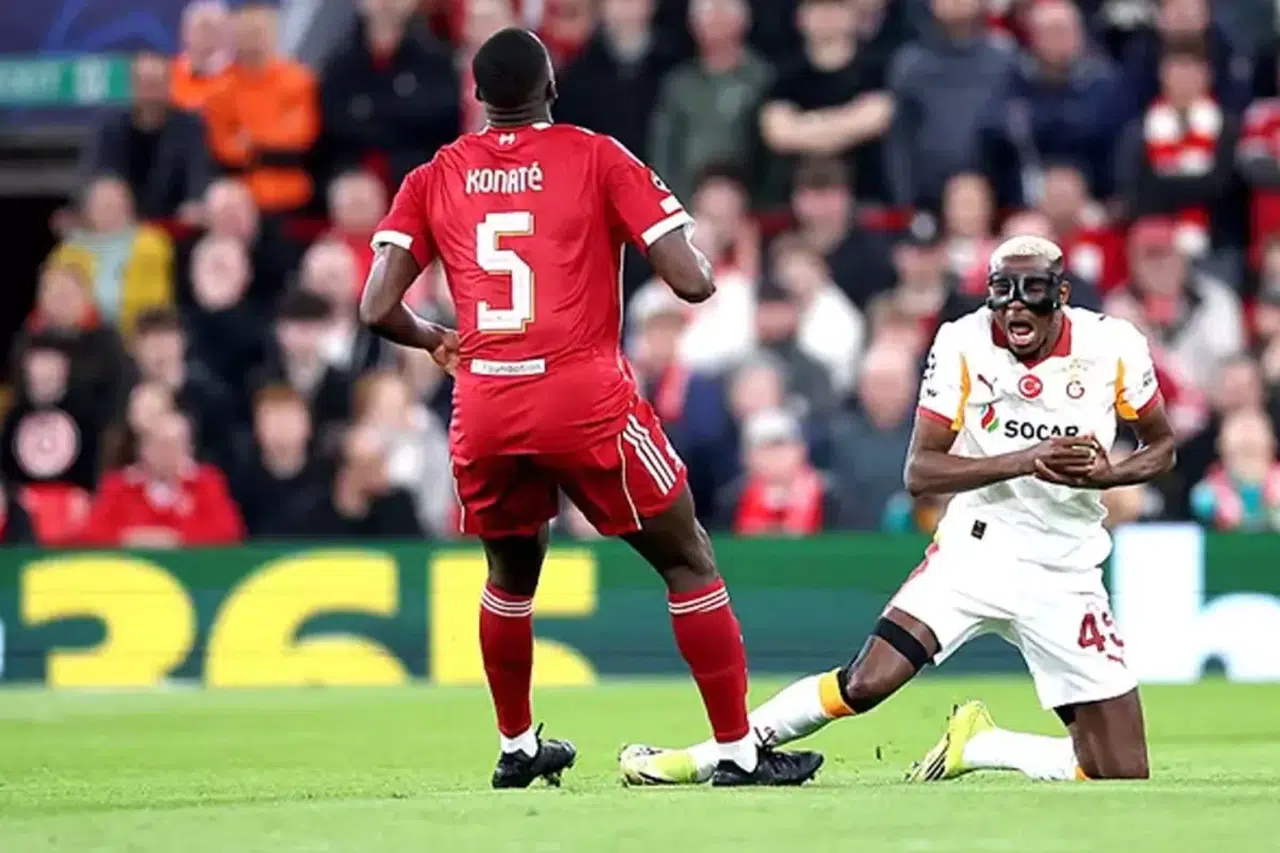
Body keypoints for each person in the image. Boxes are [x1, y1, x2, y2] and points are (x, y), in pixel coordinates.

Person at [359, 27, 822, 789]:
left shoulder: (435, 174)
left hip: (487, 400)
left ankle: (516, 744)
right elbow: (694, 282)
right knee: (687, 557)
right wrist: (687, 241)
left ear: (478, 97)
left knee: (510, 577)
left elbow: (377, 306)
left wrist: (435, 336)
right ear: (551, 87)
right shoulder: (596, 155)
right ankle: (739, 749)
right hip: (582, 395)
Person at [620, 234, 1177, 786]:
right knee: (865, 681)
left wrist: (1106, 476)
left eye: (1031, 290)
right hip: (978, 550)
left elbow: (1161, 447)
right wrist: (1029, 460)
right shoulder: (963, 341)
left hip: (1066, 568)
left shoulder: (1113, 346)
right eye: (1001, 290)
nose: (1014, 306)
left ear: (1061, 293)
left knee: (1120, 770)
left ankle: (984, 744)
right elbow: (921, 472)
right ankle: (707, 758)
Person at [202, 3, 320, 213]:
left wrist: (251, 139)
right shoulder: (220, 87)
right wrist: (271, 135)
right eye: (246, 33)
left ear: (273, 35)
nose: (253, 40)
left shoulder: (299, 79)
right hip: (239, 196)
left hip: (293, 192)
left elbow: (302, 135)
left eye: (259, 32)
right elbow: (222, 146)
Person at [80, 52, 211, 219]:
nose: (150, 94)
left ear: (169, 85)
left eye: (156, 84)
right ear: (132, 86)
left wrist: (195, 203)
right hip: (120, 220)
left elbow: (198, 176)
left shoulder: (189, 126)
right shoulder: (110, 125)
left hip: (174, 220)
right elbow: (95, 173)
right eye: (145, 84)